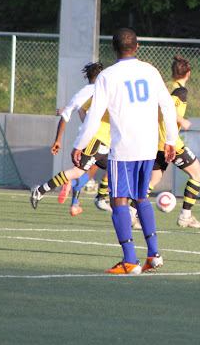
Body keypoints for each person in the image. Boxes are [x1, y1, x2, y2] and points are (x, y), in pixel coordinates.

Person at [72, 28, 178, 274]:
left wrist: (79, 143)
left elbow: (94, 115)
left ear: (113, 48)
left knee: (118, 199)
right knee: (141, 197)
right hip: (149, 147)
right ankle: (153, 254)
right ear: (137, 46)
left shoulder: (107, 76)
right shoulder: (151, 70)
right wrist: (171, 139)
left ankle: (130, 260)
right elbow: (168, 106)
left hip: (124, 148)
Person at [147, 55, 200, 229]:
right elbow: (167, 109)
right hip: (170, 141)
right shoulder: (180, 91)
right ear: (188, 74)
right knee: (197, 174)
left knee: (154, 179)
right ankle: (185, 216)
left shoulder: (166, 85)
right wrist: (182, 121)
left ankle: (131, 213)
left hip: (156, 139)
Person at [45, 62, 109, 216]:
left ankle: (75, 204)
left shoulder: (82, 92)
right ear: (100, 75)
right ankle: (100, 198)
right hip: (99, 137)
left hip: (86, 137)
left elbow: (68, 113)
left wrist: (58, 139)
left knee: (83, 170)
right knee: (107, 168)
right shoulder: (103, 90)